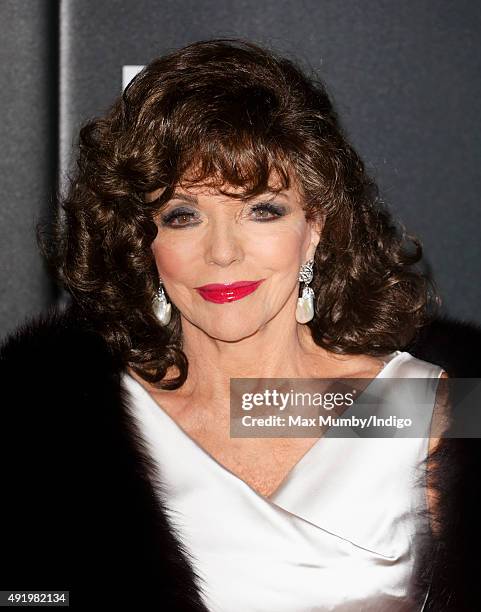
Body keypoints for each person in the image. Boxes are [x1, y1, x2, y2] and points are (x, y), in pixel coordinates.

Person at [0, 37, 480, 611]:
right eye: (184, 216)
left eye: (262, 210)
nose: (223, 252)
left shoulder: (426, 405)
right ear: (142, 239)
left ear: (316, 225)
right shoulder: (61, 426)